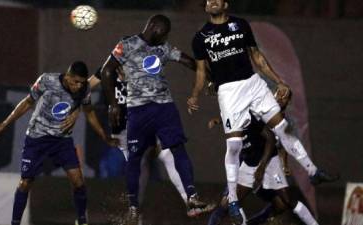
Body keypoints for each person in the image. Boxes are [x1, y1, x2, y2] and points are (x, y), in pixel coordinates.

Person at [188, 0, 338, 223]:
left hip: (252, 83)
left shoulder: (240, 25)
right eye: (209, 0)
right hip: (229, 91)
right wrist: (195, 94)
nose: (213, 2)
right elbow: (201, 70)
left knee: (282, 126)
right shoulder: (201, 37)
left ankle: (313, 171)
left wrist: (278, 80)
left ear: (226, 4)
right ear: (206, 7)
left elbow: (256, 56)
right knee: (234, 145)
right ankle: (234, 202)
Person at [101, 14, 214, 218]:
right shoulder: (126, 44)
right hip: (138, 109)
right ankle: (133, 207)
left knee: (178, 148)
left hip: (164, 108)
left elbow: (188, 61)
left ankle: (192, 198)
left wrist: (211, 74)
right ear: (153, 26)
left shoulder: (164, 47)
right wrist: (113, 104)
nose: (165, 37)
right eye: (163, 32)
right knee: (135, 157)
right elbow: (107, 71)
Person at [0, 61, 118, 225]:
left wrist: (104, 136)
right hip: (37, 138)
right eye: (75, 81)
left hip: (62, 141)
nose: (78, 86)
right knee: (25, 182)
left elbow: (89, 112)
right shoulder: (47, 81)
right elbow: (28, 102)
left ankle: (82, 221)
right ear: (68, 76)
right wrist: (4, 124)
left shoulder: (83, 88)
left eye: (82, 82)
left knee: (78, 180)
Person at [63, 66, 198, 217]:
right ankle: (124, 210)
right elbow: (86, 87)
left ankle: (188, 200)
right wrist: (72, 105)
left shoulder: (141, 68)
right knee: (126, 167)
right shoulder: (108, 68)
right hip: (121, 132)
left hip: (141, 124)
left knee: (164, 155)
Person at [207, 90, 319, 225]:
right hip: (249, 162)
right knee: (228, 203)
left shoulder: (281, 121)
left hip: (269, 162)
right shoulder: (257, 107)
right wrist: (217, 120)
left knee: (284, 203)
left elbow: (280, 143)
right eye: (279, 93)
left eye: (285, 97)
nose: (281, 98)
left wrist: (281, 164)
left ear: (288, 102)